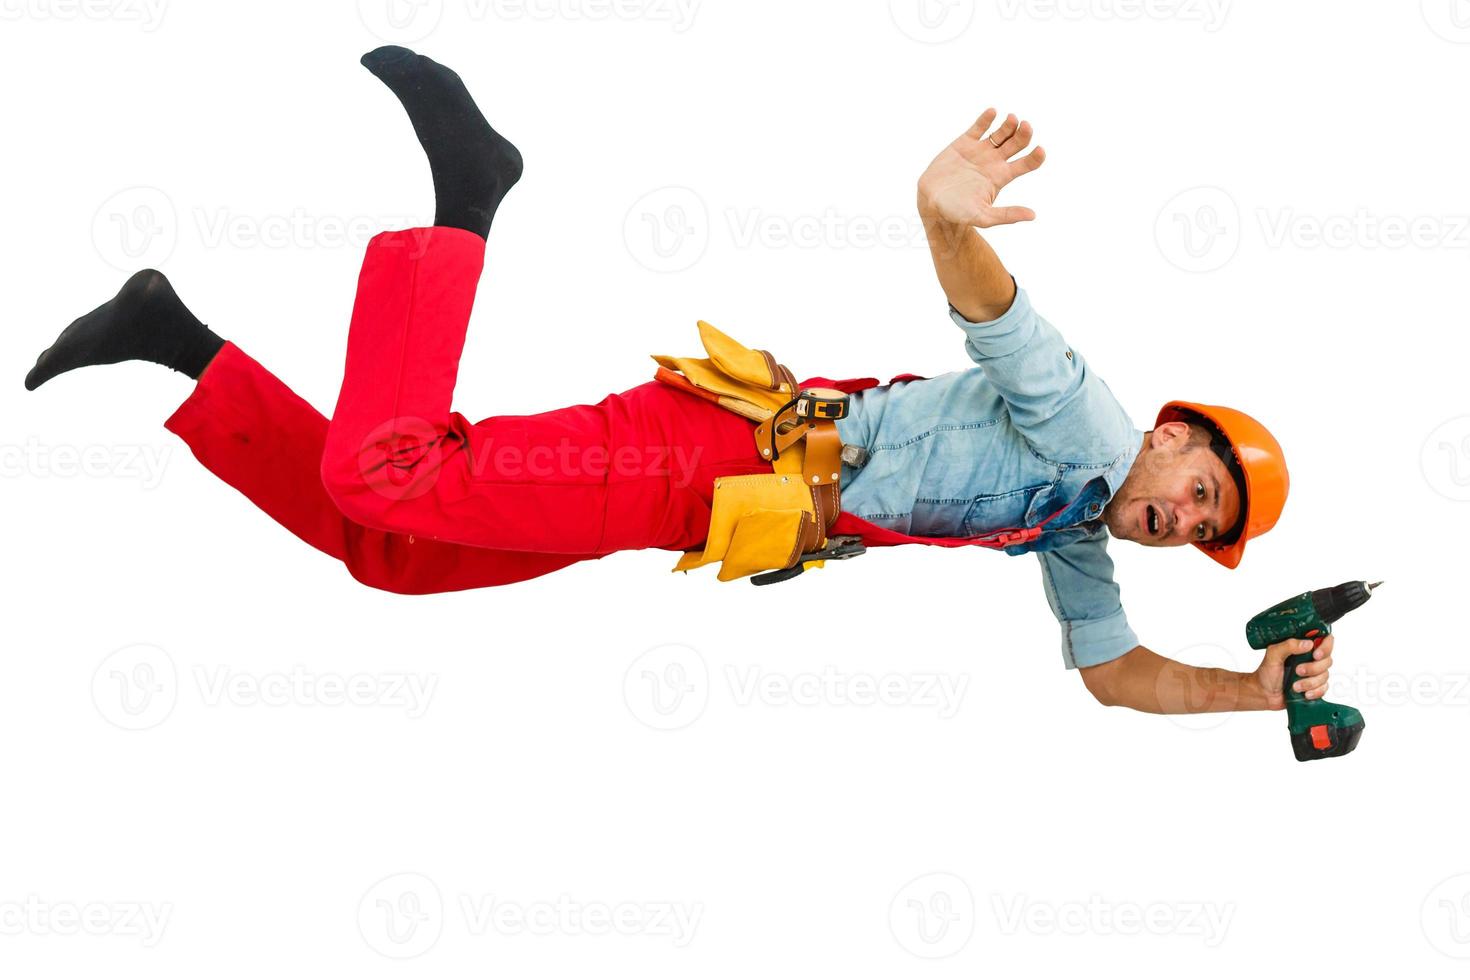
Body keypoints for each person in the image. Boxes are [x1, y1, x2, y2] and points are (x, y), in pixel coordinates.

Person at [24, 46, 1330, 717]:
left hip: (698, 499)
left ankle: (177, 341)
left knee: (394, 552)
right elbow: (1004, 322)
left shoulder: (1067, 522)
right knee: (387, 472)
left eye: (1206, 526)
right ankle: (468, 193)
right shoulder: (1090, 426)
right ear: (1168, 434)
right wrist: (944, 218)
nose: (1187, 516)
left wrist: (1245, 690)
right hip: (706, 458)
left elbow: (1114, 674)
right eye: (1201, 483)